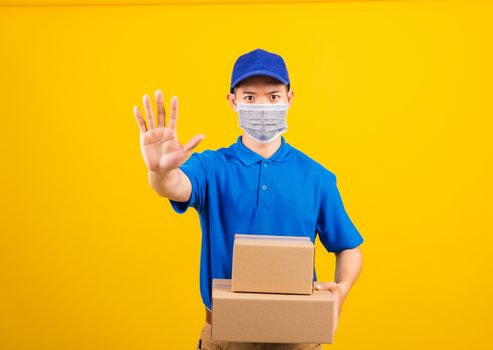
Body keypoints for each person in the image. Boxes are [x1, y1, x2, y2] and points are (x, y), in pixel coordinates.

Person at [133, 48, 364, 350]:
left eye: (273, 96)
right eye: (250, 97)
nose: (263, 106)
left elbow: (349, 246)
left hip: (298, 336)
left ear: (289, 99)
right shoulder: (211, 167)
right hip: (228, 336)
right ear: (233, 101)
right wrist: (159, 171)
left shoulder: (316, 177)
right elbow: (174, 186)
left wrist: (341, 290)